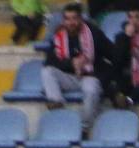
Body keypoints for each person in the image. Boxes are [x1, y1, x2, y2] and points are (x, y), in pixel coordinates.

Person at [42, 3, 115, 136]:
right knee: (47, 72)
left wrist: (90, 67)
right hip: (69, 77)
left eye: (74, 18)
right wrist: (71, 63)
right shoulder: (59, 36)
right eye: (67, 19)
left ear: (81, 19)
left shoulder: (94, 34)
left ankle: (84, 127)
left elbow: (113, 55)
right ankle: (57, 104)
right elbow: (49, 61)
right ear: (64, 20)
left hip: (90, 76)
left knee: (91, 88)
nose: (71, 22)